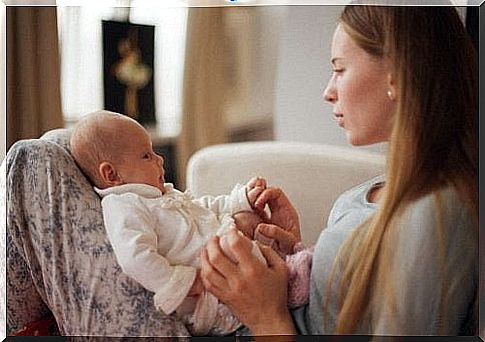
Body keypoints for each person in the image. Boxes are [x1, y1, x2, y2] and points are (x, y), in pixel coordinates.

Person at [200, 5, 478, 336]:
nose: (328, 91)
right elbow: (339, 310)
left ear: (396, 74)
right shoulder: (385, 189)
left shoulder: (435, 213)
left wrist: (266, 318)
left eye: (340, 69)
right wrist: (299, 260)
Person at [69, 110, 312, 336]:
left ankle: (291, 273)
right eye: (146, 155)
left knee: (247, 223)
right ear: (111, 174)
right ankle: (294, 282)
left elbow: (205, 206)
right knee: (254, 255)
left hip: (229, 274)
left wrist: (241, 200)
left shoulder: (163, 196)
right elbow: (135, 257)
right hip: (209, 297)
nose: (159, 159)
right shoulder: (123, 206)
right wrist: (182, 282)